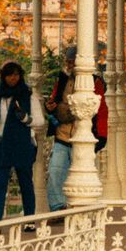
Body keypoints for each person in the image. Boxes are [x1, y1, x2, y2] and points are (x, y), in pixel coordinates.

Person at [0, 61, 43, 224]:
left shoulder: (28, 95)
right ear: (4, 77)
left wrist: (25, 117)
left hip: (22, 144)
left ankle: (30, 220)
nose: (13, 78)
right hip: (3, 144)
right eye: (10, 75)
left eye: (16, 74)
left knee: (25, 183)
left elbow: (39, 122)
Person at [45, 48, 77, 212]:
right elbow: (54, 99)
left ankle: (79, 207)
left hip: (81, 136)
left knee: (80, 175)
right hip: (62, 134)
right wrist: (50, 107)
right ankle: (58, 207)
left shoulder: (93, 81)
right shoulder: (62, 79)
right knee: (55, 171)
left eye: (71, 61)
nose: (69, 65)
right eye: (68, 62)